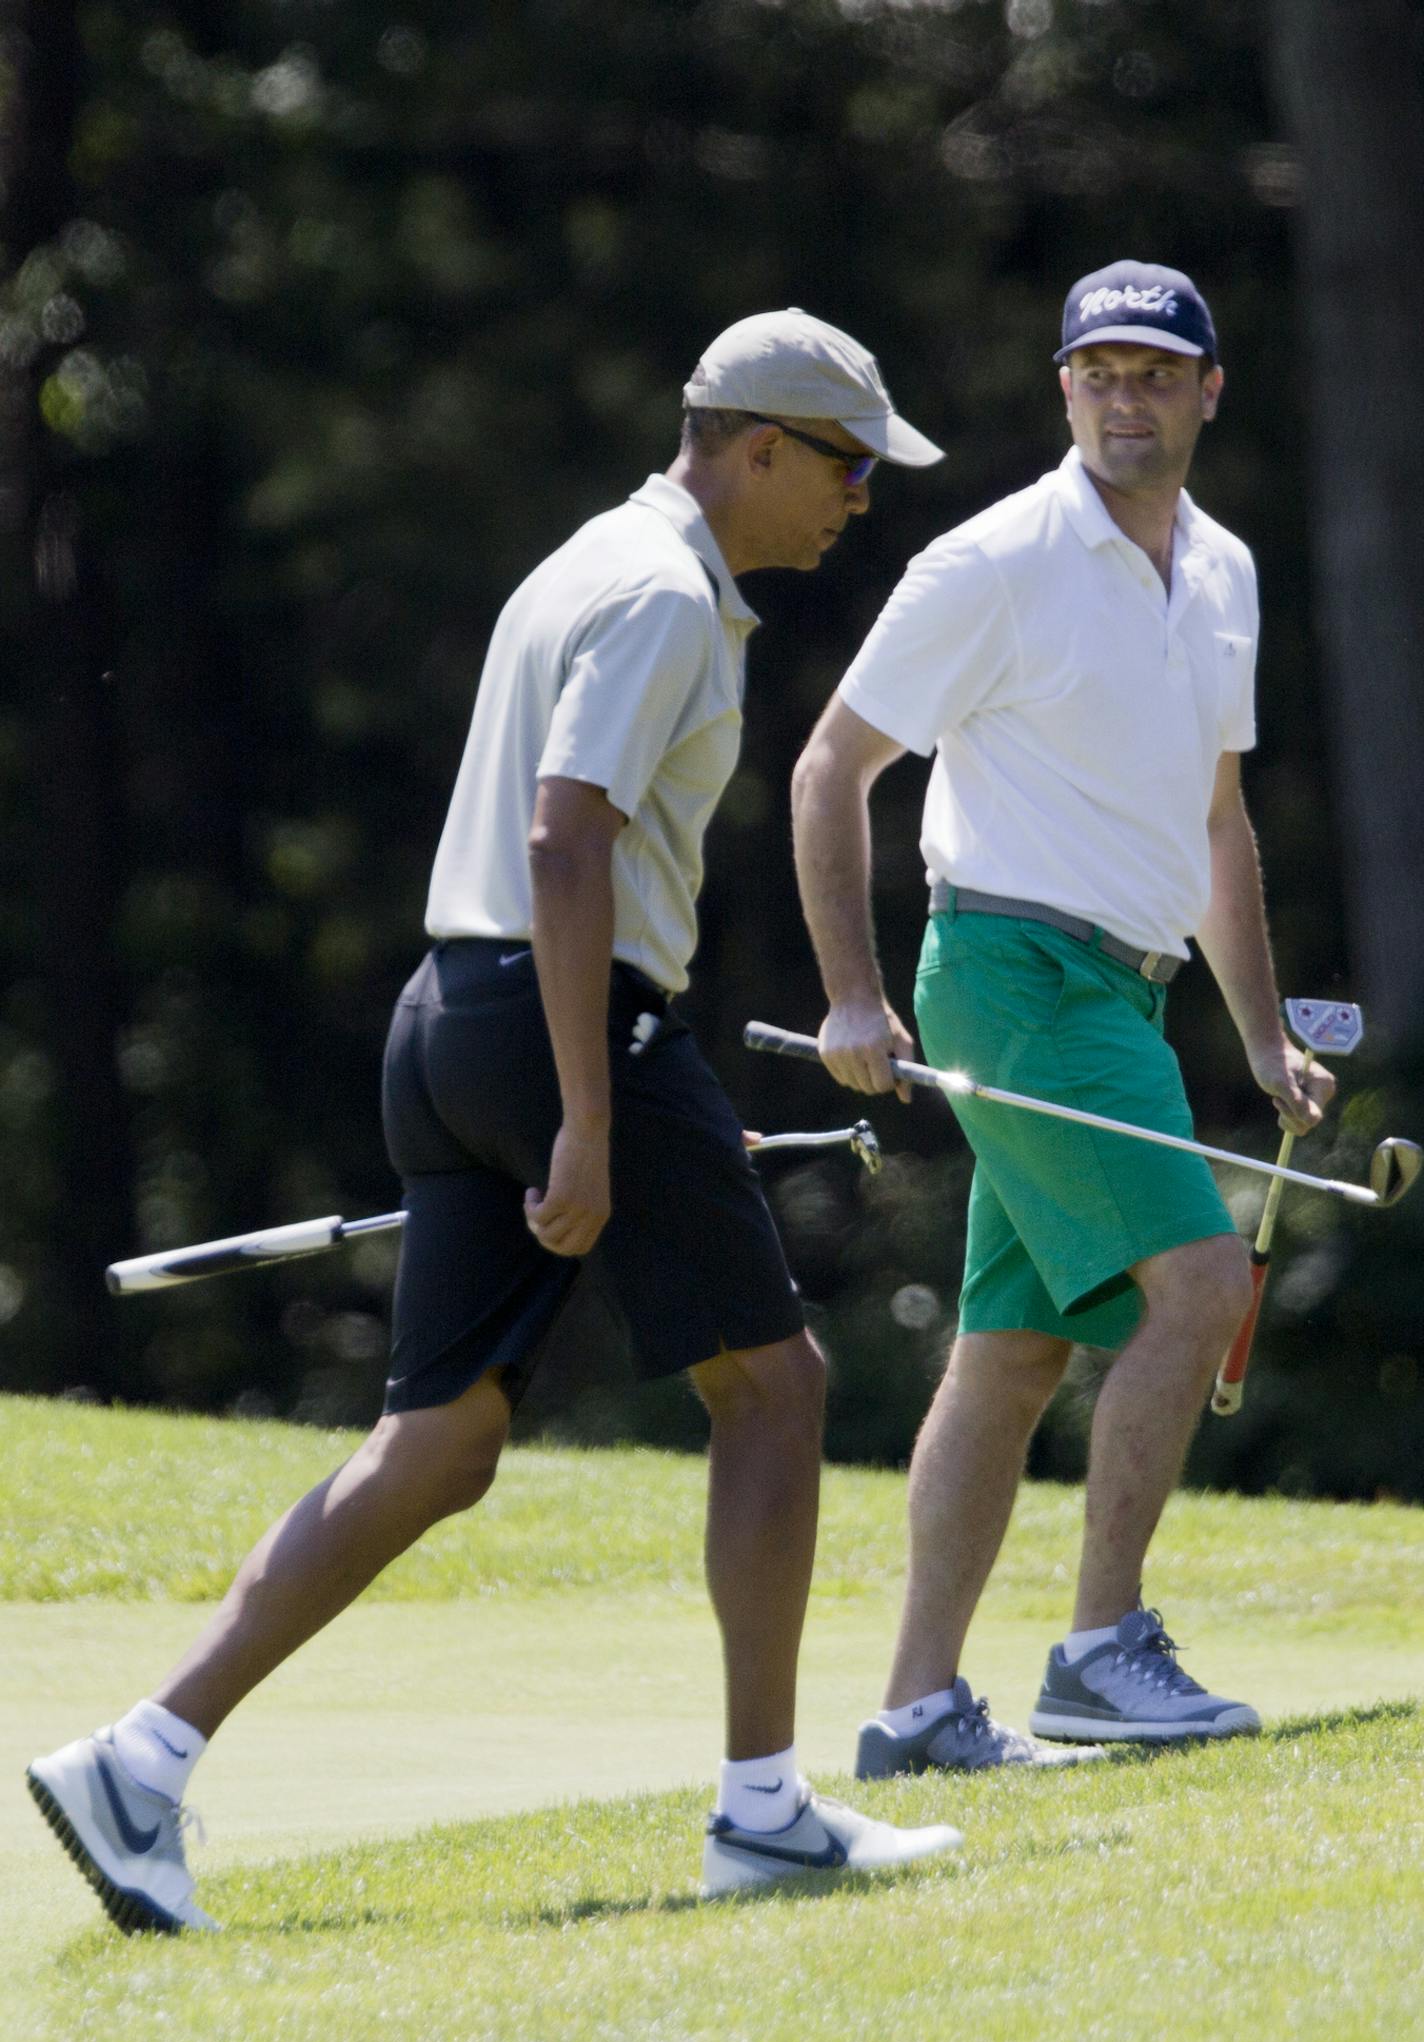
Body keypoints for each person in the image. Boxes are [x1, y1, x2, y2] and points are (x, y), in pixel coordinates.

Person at [27, 309, 963, 1930]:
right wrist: (596, 1121)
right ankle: (765, 1813)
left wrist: (609, 1112)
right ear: (755, 447)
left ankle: (140, 1758)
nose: (857, 501)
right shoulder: (668, 593)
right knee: (778, 1391)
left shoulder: (589, 553)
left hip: (452, 1021)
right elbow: (562, 840)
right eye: (846, 468)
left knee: (443, 1442)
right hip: (560, 1019)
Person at [789, 262, 1334, 1778]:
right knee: (1206, 1281)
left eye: (1155, 373)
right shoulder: (994, 561)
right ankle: (1101, 1651)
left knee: (1014, 1349)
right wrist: (851, 987)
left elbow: (1216, 824)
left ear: (1208, 391)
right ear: (1062, 389)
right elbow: (832, 769)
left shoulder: (1220, 569)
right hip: (1014, 970)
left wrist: (1263, 1031)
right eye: (1097, 371)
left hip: (1128, 992)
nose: (1124, 397)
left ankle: (914, 1708)